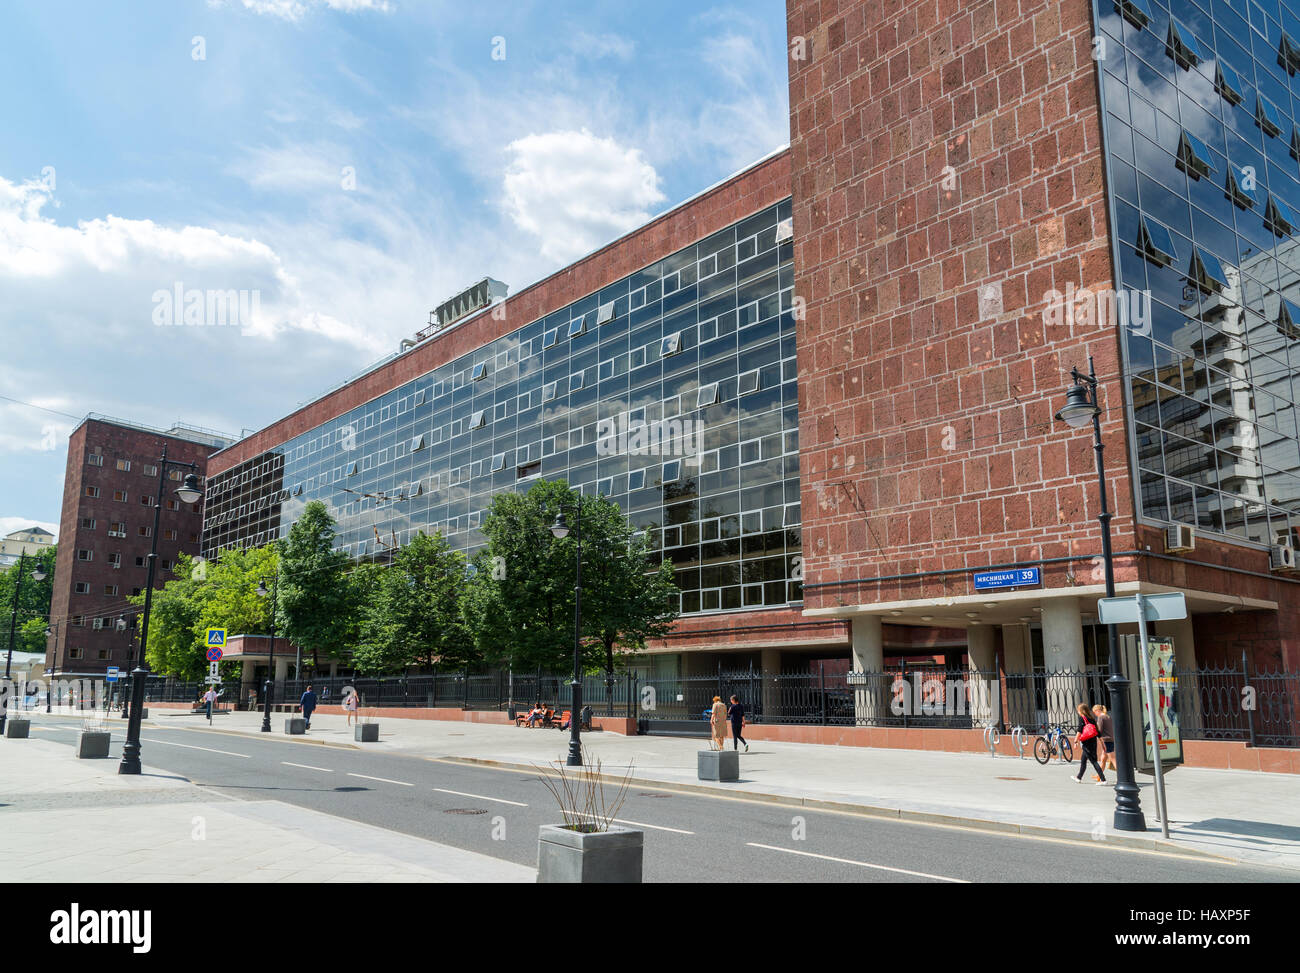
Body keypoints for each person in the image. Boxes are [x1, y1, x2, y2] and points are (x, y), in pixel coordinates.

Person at [1073, 702, 1106, 784]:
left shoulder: (1082, 718)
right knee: (1083, 760)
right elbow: (1098, 732)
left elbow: (1079, 731)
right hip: (1093, 742)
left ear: (1081, 710)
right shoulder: (1092, 719)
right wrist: (1102, 744)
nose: (1078, 712)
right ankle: (1079, 777)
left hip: (1086, 743)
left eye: (1078, 710)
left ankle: (1103, 780)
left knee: (1094, 762)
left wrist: (1075, 741)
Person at [1092, 703, 1116, 773]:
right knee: (1103, 759)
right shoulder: (1108, 716)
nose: (1094, 714)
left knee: (1113, 759)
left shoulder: (1101, 717)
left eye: (1094, 712)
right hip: (1110, 739)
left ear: (1098, 710)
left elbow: (1099, 730)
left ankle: (1122, 776)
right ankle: (1099, 776)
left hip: (1106, 740)